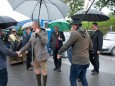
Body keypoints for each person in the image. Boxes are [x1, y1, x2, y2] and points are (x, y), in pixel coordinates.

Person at [57, 18, 93, 86]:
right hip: (86, 61)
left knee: (73, 79)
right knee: (83, 78)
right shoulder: (87, 33)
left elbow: (67, 45)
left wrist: (59, 52)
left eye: (72, 25)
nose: (72, 27)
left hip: (77, 62)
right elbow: (91, 46)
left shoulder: (75, 33)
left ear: (75, 25)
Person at [17, 20, 49, 86]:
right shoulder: (33, 33)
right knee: (37, 71)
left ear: (36, 25)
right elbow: (28, 44)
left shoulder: (43, 31)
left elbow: (45, 42)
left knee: (44, 72)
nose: (31, 26)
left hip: (42, 56)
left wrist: (39, 34)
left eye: (32, 24)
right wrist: (21, 51)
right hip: (35, 56)